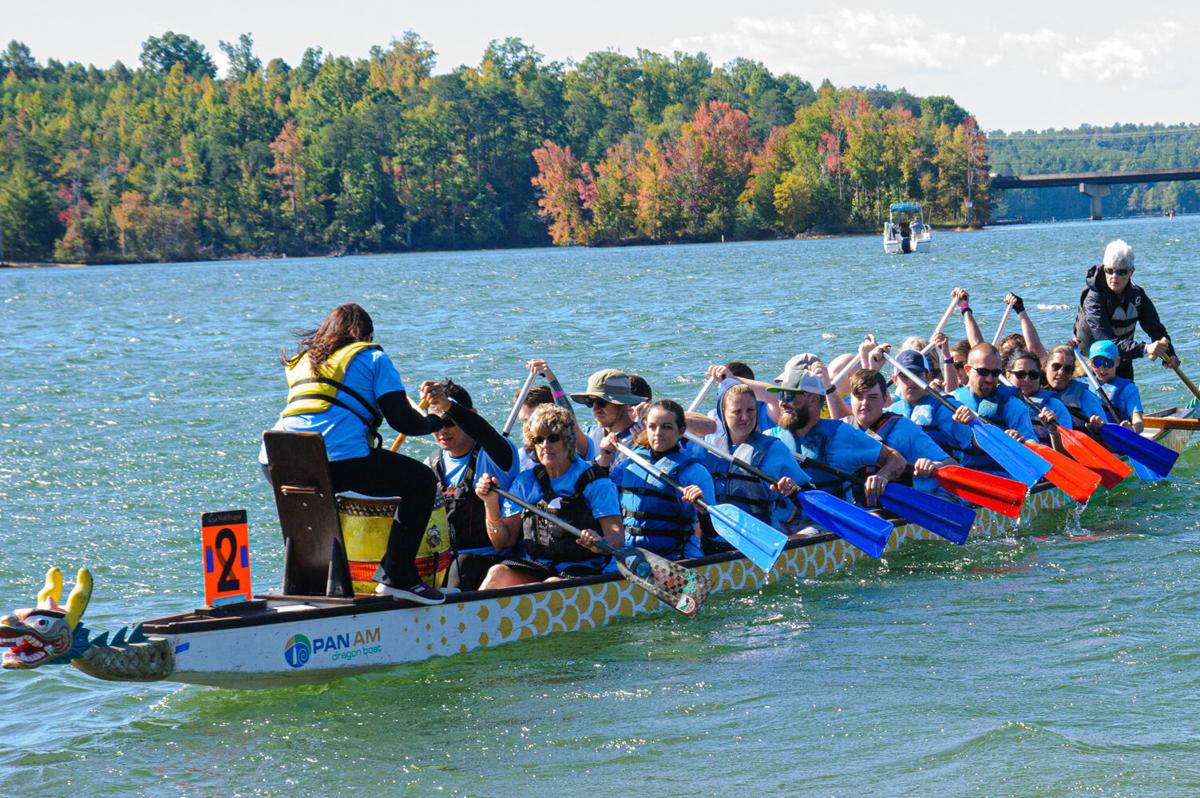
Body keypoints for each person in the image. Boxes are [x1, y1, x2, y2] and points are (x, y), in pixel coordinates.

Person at [266, 303, 445, 604]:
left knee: (316, 501)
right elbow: (403, 421)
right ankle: (397, 576)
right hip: (336, 460)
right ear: (366, 334)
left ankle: (306, 582)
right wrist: (433, 422)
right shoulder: (372, 356)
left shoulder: (301, 360)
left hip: (277, 458)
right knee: (421, 482)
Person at [475, 405, 623, 588]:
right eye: (539, 439)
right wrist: (490, 504)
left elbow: (616, 537)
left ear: (567, 441)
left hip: (584, 567)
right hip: (539, 566)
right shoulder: (526, 482)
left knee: (552, 583)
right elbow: (502, 543)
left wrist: (598, 543)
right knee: (497, 573)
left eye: (553, 438)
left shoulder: (596, 482)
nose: (545, 445)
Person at [425, 380, 520, 591]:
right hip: (445, 559)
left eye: (449, 421)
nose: (442, 430)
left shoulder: (497, 454)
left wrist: (449, 405)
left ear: (471, 415)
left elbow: (484, 432)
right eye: (435, 422)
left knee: (464, 564)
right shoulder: (430, 464)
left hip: (489, 557)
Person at [766, 362, 906, 504]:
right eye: (780, 395)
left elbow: (896, 459)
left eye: (789, 395)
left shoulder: (841, 434)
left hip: (827, 522)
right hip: (780, 523)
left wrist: (882, 476)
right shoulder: (770, 437)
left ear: (813, 400)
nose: (782, 403)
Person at [697, 384, 809, 546]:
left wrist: (793, 491)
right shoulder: (707, 447)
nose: (745, 417)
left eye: (750, 410)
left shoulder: (773, 449)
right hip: (715, 540)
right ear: (723, 413)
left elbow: (807, 491)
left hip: (760, 541)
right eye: (737, 412)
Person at [608, 400, 717, 561]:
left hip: (676, 559)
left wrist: (703, 511)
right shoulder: (628, 463)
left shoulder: (695, 473)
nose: (658, 433)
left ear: (681, 431)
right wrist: (605, 456)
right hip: (630, 557)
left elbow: (712, 533)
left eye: (667, 427)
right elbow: (604, 497)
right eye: (652, 426)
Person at [1074, 239, 1179, 379]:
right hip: (1092, 366)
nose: (1114, 277)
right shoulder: (1093, 300)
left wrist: (1170, 355)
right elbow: (1107, 342)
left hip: (1120, 363)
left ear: (1131, 272)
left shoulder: (1137, 295)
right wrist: (1145, 348)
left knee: (1128, 396)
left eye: (1121, 272)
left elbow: (1156, 330)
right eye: (1109, 271)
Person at [847, 368, 954, 493]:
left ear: (885, 399)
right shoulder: (841, 428)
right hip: (851, 507)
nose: (864, 403)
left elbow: (951, 464)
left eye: (872, 397)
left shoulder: (904, 429)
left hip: (894, 507)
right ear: (851, 398)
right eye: (859, 397)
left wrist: (934, 465)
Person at [949, 343, 1037, 473]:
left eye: (995, 373)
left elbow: (1032, 444)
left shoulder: (1013, 405)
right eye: (983, 372)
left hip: (1002, 475)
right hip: (961, 473)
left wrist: (1021, 442)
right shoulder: (952, 401)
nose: (990, 379)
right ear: (967, 370)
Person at [887, 348, 973, 462]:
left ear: (928, 377)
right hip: (903, 476)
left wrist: (972, 421)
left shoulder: (948, 409)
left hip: (943, 473)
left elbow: (976, 445)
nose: (911, 382)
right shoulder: (891, 412)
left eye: (917, 375)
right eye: (904, 376)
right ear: (895, 380)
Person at [517, 359, 590, 470]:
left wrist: (550, 377)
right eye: (524, 421)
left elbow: (570, 421)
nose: (527, 427)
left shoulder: (569, 445)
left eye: (531, 420)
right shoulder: (520, 457)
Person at [574, 369, 646, 469]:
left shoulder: (643, 437)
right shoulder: (590, 433)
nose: (595, 409)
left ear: (622, 403)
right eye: (590, 401)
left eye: (601, 402)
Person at [1001, 348, 1071, 445]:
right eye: (1020, 374)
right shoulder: (996, 402)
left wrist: (1054, 431)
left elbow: (1068, 450)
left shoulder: (1055, 406)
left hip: (1045, 457)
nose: (1027, 379)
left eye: (1033, 375)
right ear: (1008, 375)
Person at [1042, 344, 1106, 433]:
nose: (1061, 372)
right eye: (1056, 366)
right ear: (1045, 366)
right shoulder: (1034, 389)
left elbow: (1106, 432)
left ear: (1072, 373)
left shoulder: (1085, 397)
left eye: (1067, 369)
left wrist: (1097, 431)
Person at [1087, 339, 1145, 433]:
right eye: (1097, 363)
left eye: (1108, 363)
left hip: (1114, 437)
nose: (1102, 369)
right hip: (1089, 436)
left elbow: (1138, 422)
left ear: (1117, 361)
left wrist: (1132, 430)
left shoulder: (1128, 388)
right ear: (1090, 364)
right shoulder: (1083, 385)